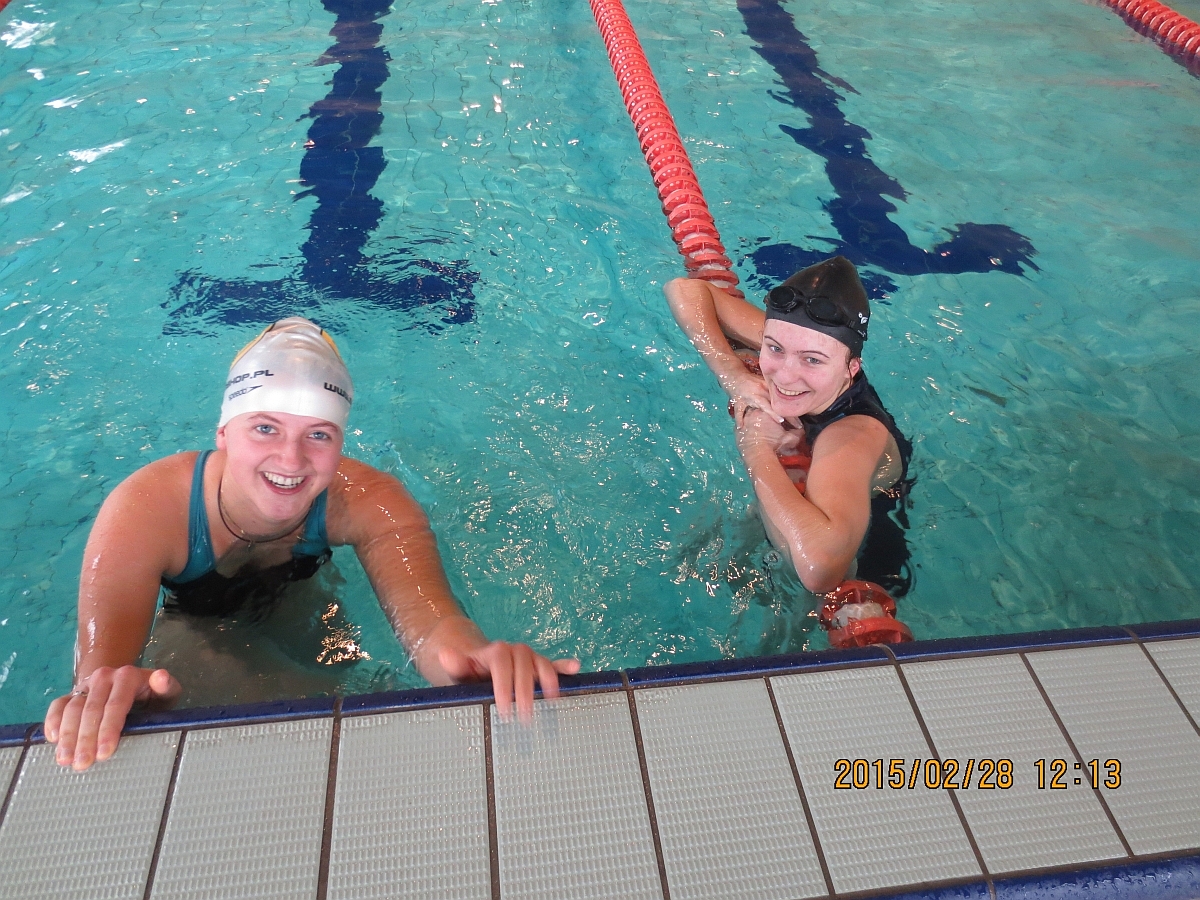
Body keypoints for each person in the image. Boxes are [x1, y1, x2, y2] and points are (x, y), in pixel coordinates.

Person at [44, 318, 579, 770]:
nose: (291, 459)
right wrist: (113, 693)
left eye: (318, 435)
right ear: (223, 433)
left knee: (359, 714)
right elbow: (102, 670)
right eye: (265, 428)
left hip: (301, 599)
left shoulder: (371, 501)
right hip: (194, 627)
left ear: (340, 442)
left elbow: (433, 626)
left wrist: (472, 660)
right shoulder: (146, 509)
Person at [664, 256, 913, 598]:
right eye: (774, 349)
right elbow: (685, 290)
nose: (785, 375)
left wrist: (755, 448)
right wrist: (731, 374)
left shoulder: (852, 435)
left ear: (851, 368)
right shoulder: (809, 338)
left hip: (864, 562)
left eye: (812, 360)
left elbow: (819, 570)